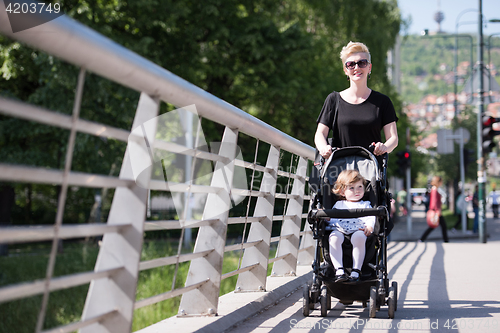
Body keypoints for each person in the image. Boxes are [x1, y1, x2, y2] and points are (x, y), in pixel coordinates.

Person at [314, 41, 398, 159]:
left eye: (362, 63)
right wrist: (323, 148)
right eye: (351, 64)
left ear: (369, 67)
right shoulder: (333, 100)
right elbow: (320, 134)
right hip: (340, 172)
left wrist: (384, 147)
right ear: (345, 70)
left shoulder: (383, 102)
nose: (357, 67)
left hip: (371, 172)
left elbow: (393, 139)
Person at [328, 170, 375, 283]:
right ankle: (339, 269)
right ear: (342, 192)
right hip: (339, 229)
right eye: (352, 188)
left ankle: (356, 270)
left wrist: (369, 226)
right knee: (333, 237)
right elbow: (332, 219)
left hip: (358, 229)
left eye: (359, 186)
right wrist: (326, 217)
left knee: (359, 237)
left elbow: (371, 217)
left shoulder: (365, 204)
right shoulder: (339, 205)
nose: (357, 190)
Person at [419, 176, 449, 243]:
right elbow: (434, 201)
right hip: (436, 211)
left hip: (436, 210)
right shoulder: (434, 189)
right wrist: (436, 210)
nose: (442, 183)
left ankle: (422, 239)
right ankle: (422, 239)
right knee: (437, 226)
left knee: (434, 226)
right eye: (441, 181)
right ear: (438, 182)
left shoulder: (435, 189)